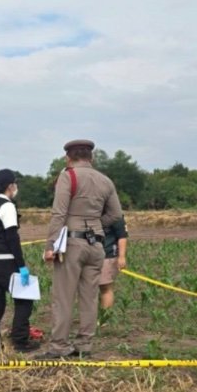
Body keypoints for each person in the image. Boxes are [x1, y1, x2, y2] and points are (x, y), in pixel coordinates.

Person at [40, 140, 123, 358]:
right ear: (91, 157)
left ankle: (59, 346)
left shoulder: (68, 176)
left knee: (63, 297)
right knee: (89, 297)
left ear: (68, 158)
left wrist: (50, 246)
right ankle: (84, 345)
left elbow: (59, 213)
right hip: (96, 244)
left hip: (72, 243)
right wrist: (95, 225)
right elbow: (116, 214)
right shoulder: (105, 180)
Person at [0, 169, 39, 355]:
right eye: (15, 184)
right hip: (6, 261)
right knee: (25, 299)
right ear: (10, 186)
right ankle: (20, 341)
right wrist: (21, 265)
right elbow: (12, 237)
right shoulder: (7, 206)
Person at [99, 214, 129, 313]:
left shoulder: (114, 214)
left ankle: (105, 316)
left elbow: (122, 236)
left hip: (108, 254)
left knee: (105, 287)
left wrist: (121, 256)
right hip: (90, 255)